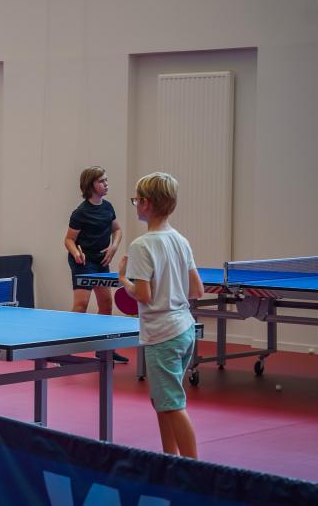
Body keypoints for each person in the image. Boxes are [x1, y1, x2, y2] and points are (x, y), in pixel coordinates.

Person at [117, 172, 203, 459]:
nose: (135, 204)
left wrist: (122, 280)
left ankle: (195, 470)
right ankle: (170, 459)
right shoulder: (181, 240)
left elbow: (143, 296)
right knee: (163, 401)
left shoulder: (142, 245)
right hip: (185, 329)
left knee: (173, 404)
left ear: (146, 204)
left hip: (162, 334)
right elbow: (198, 289)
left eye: (136, 200)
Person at [64, 166, 127, 362]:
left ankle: (104, 350)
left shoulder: (108, 207)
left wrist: (113, 247)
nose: (106, 184)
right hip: (83, 262)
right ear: (90, 185)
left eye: (106, 180)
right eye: (102, 181)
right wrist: (76, 253)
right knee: (81, 306)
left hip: (102, 261)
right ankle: (62, 351)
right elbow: (68, 240)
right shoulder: (80, 213)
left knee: (106, 306)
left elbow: (117, 230)